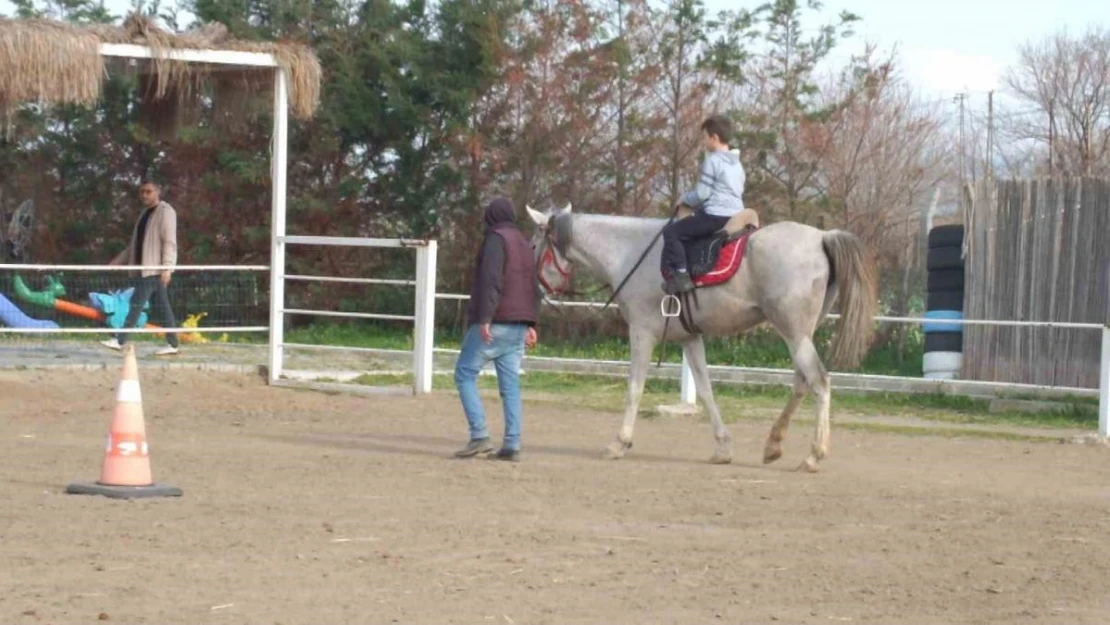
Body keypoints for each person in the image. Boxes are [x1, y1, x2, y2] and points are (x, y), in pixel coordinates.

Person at [453, 196, 540, 462]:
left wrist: (485, 317)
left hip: (497, 321)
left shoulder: (495, 239)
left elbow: (491, 280)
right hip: (519, 325)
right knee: (510, 384)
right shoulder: (525, 243)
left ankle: (479, 436)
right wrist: (532, 323)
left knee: (464, 373)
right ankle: (512, 444)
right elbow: (533, 285)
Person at [660, 114, 746, 294]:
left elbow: (702, 194)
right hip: (736, 214)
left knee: (671, 232)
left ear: (714, 138)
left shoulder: (713, 160)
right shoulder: (737, 164)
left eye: (705, 137)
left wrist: (683, 199)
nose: (704, 142)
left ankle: (682, 276)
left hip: (716, 214)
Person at [101, 180, 180, 356]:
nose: (144, 195)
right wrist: (118, 261)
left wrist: (168, 267)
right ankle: (173, 343)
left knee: (136, 304)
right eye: (142, 192)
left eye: (148, 191)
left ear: (158, 191)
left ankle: (120, 340)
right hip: (143, 269)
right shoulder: (144, 214)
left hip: (153, 270)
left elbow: (169, 242)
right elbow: (134, 245)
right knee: (163, 307)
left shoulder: (166, 212)